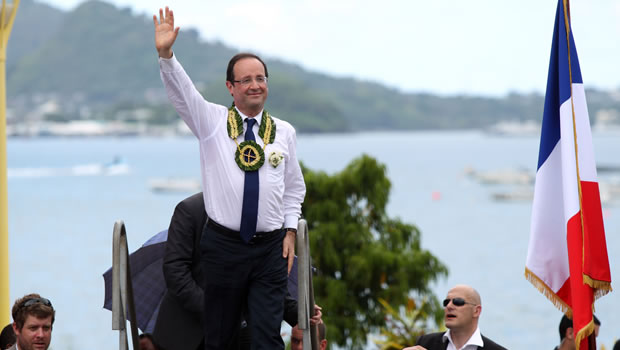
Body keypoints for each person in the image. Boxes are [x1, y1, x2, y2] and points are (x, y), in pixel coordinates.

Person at [154, 6, 306, 350]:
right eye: (246, 80)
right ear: (230, 87)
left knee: (267, 336)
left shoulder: (284, 132)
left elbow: (294, 188)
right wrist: (167, 56)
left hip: (269, 249)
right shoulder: (212, 123)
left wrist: (291, 229)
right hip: (223, 246)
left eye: (260, 78)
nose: (255, 85)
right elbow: (184, 94)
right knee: (219, 336)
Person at [152, 193, 316, 350]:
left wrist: (301, 312)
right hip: (188, 335)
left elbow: (268, 276)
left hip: (242, 333)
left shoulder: (260, 217)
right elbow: (175, 271)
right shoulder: (190, 209)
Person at [403, 285, 506, 350]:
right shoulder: (425, 342)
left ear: (476, 311)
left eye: (458, 302)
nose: (449, 306)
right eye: (446, 302)